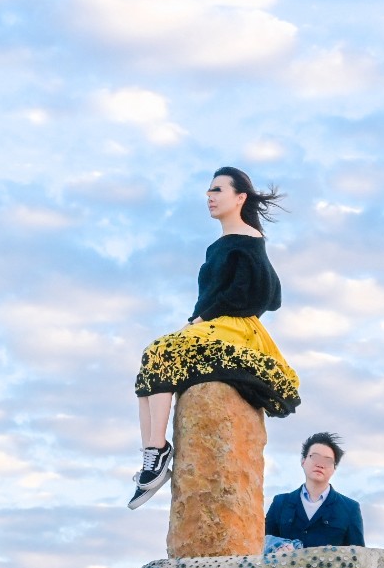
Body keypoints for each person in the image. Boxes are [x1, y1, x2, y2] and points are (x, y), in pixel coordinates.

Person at [128, 166, 301, 509]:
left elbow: (269, 294)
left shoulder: (249, 240)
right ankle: (154, 452)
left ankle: (156, 453)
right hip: (210, 325)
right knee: (153, 355)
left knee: (163, 350)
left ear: (240, 198)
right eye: (209, 190)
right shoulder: (218, 246)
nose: (209, 196)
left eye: (218, 190)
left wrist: (204, 317)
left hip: (234, 329)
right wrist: (197, 319)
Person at [264, 432, 365, 548]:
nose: (320, 464)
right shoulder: (280, 503)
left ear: (334, 468)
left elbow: (358, 557)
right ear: (303, 461)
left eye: (327, 460)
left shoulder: (350, 508)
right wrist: (278, 548)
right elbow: (261, 543)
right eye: (315, 457)